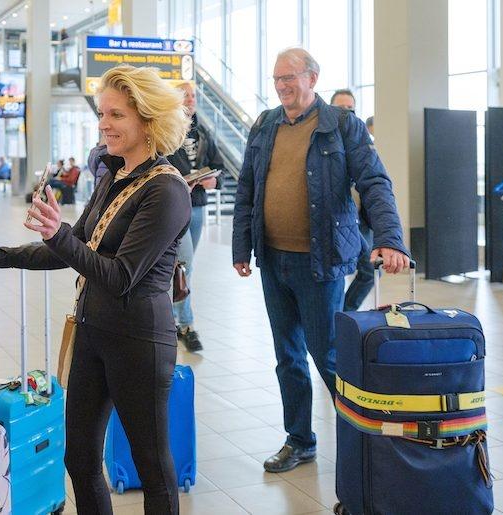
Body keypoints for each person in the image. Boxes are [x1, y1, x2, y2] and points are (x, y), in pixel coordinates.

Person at [0, 64, 191, 515]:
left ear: (147, 119)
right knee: (79, 456)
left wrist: (59, 236)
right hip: (93, 332)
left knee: (153, 468)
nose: (103, 124)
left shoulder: (166, 190)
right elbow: (70, 249)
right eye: (102, 114)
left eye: (116, 115)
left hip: (139, 340)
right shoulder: (113, 176)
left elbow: (122, 276)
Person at [232, 48, 409, 473]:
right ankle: (300, 440)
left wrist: (390, 238)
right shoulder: (265, 124)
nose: (281, 86)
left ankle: (365, 434)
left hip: (320, 262)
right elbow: (247, 187)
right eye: (276, 79)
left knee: (327, 353)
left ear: (313, 77)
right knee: (287, 356)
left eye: (289, 78)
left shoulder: (341, 125)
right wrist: (241, 248)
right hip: (273, 261)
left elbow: (375, 182)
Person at [166, 81, 224, 352]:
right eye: (185, 96)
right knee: (184, 264)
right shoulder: (165, 131)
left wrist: (213, 180)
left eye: (192, 96)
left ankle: (175, 319)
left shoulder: (203, 133)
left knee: (185, 268)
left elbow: (218, 165)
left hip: (198, 205)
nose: (190, 100)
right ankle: (186, 324)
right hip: (174, 208)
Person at [328, 91, 376, 312]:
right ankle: (339, 317)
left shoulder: (360, 141)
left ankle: (345, 313)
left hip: (361, 220)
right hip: (337, 219)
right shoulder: (324, 141)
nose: (346, 113)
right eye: (341, 108)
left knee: (370, 271)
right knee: (336, 274)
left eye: (350, 108)